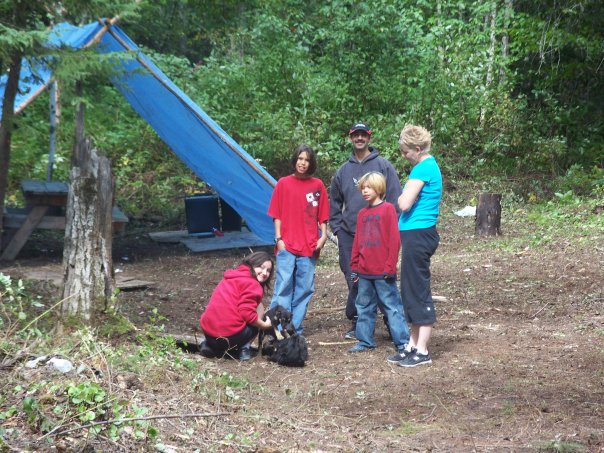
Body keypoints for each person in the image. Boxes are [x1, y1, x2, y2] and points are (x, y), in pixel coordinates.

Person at [329, 122, 402, 339]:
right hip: (350, 234)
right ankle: (358, 320)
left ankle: (391, 322)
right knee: (353, 276)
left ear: (369, 137)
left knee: (382, 276)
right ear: (351, 138)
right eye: (355, 135)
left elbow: (396, 199)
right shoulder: (343, 171)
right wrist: (338, 229)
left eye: (363, 135)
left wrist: (392, 228)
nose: (359, 138)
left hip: (377, 236)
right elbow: (334, 201)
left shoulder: (383, 165)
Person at [389, 124, 442, 367]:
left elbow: (404, 203)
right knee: (409, 289)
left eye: (405, 152)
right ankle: (412, 344)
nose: (403, 156)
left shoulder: (424, 167)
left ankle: (422, 350)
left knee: (418, 289)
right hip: (414, 234)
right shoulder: (425, 166)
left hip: (419, 234)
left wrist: (400, 197)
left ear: (417, 149)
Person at [268, 144, 329, 334]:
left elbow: (323, 216)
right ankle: (278, 328)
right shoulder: (283, 183)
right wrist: (279, 239)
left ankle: (293, 327)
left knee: (304, 288)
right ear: (295, 160)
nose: (303, 163)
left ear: (311, 163)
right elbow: (276, 214)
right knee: (283, 286)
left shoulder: (317, 185)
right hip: (287, 243)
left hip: (309, 245)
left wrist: (324, 236)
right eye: (300, 159)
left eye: (307, 160)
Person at [347, 172, 410, 355]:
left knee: (392, 307)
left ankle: (402, 342)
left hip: (383, 271)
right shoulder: (362, 213)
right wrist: (355, 266)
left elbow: (394, 239)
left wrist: (390, 266)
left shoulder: (388, 209)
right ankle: (365, 340)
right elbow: (357, 240)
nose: (365, 191)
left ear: (379, 188)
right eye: (363, 188)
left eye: (369, 187)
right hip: (364, 271)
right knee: (364, 307)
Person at [199, 251, 274, 361]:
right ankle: (244, 348)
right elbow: (246, 313)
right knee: (259, 308)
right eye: (261, 267)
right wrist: (264, 325)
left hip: (208, 333)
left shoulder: (231, 276)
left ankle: (209, 345)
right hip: (229, 338)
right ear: (251, 264)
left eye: (268, 270)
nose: (264, 273)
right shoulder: (253, 284)